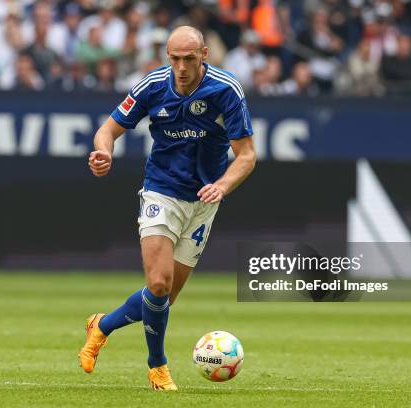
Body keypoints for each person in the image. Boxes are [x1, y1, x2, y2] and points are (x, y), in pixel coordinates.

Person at [79, 25, 256, 391]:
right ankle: (157, 367)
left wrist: (222, 185)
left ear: (204, 54)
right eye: (174, 58)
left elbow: (247, 155)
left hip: (203, 200)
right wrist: (104, 154)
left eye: (189, 59)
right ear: (167, 56)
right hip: (161, 191)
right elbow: (106, 131)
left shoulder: (226, 90)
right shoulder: (152, 86)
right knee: (157, 284)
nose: (181, 67)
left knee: (163, 297)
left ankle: (102, 325)